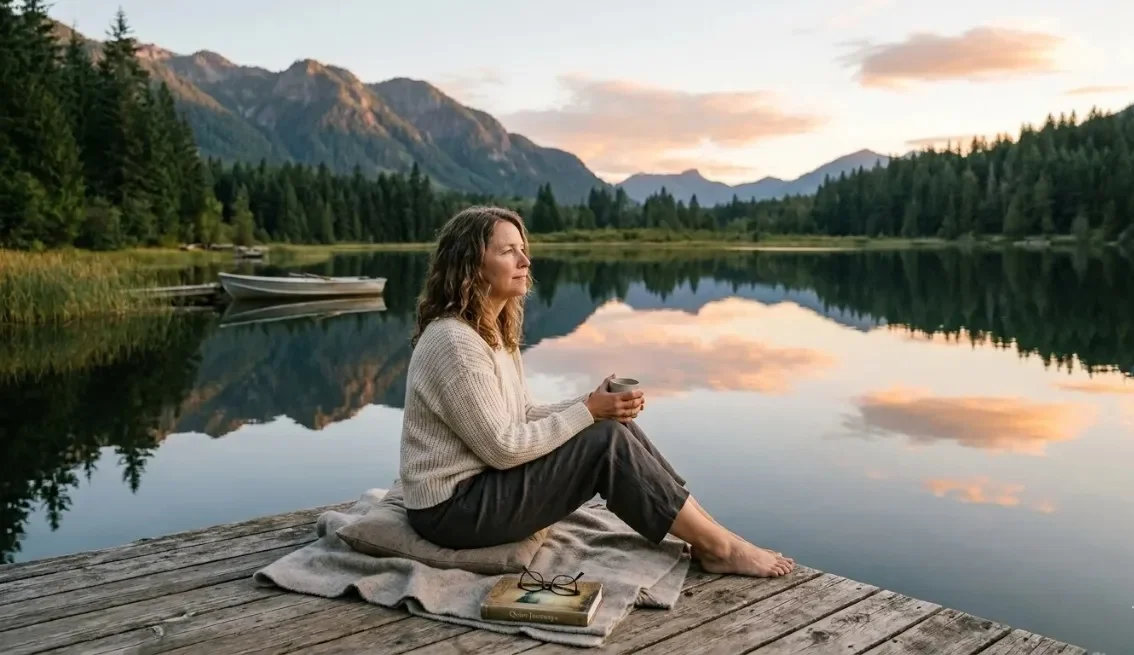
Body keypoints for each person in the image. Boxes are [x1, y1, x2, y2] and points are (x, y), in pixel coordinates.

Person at [398, 205, 794, 578]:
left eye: (523, 250)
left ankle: (712, 535)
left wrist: (597, 402)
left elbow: (522, 415)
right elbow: (503, 448)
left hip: (480, 490)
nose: (525, 262)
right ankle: (719, 548)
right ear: (470, 265)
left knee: (613, 427)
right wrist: (589, 411)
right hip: (451, 511)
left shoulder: (493, 333)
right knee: (603, 439)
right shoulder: (455, 342)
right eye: (508, 252)